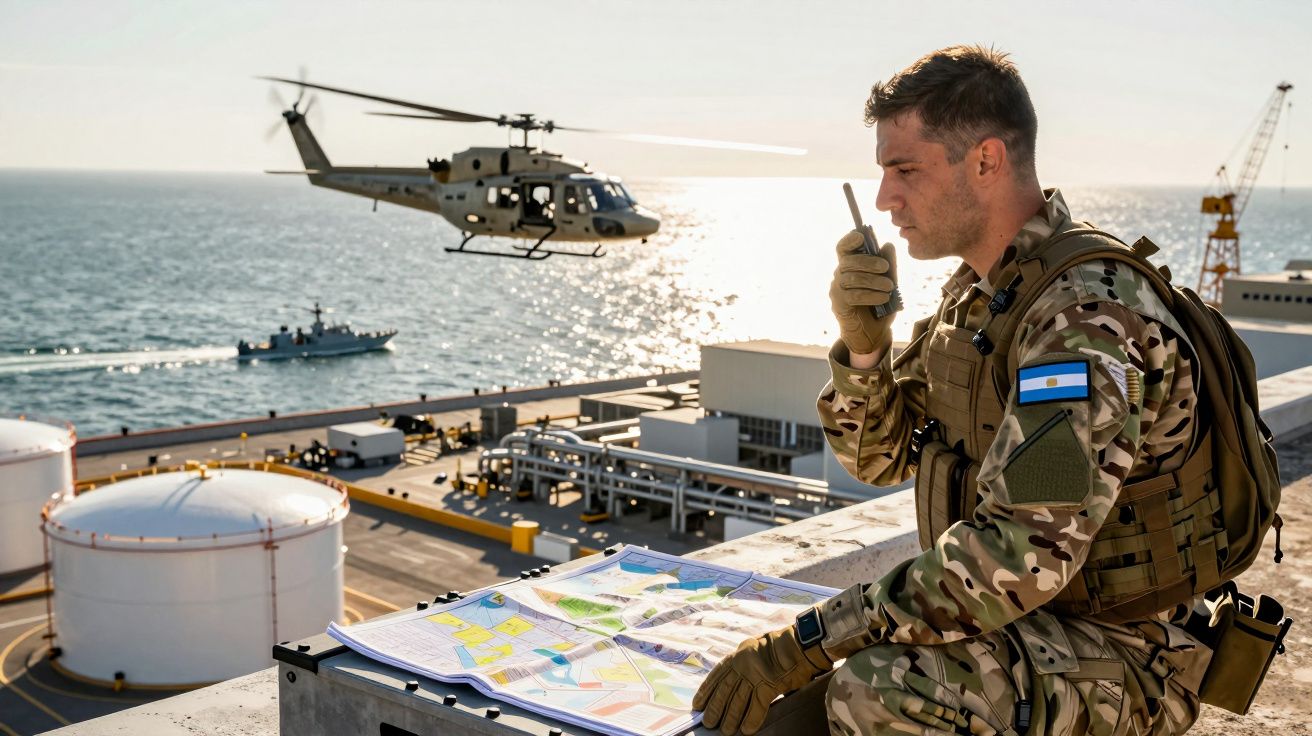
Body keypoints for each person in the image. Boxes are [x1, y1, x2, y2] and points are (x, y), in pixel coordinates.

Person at [693, 45, 1215, 736]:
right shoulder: (983, 298)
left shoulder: (1081, 321)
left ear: (987, 161)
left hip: (1123, 653)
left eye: (905, 169)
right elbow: (878, 459)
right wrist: (864, 347)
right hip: (1024, 625)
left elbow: (1019, 552)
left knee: (878, 688)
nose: (884, 198)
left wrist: (804, 644)